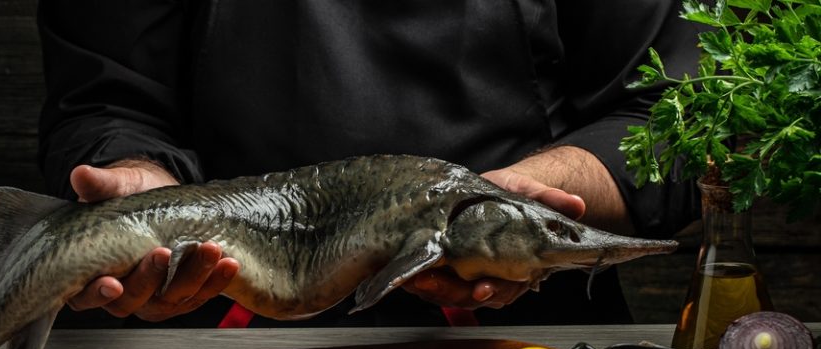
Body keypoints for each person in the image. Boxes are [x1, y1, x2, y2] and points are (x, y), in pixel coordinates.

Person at [36, 0, 703, 328]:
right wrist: (137, 183)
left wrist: (515, 206)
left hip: (520, 347)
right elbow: (105, 99)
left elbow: (673, 117)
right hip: (215, 321)